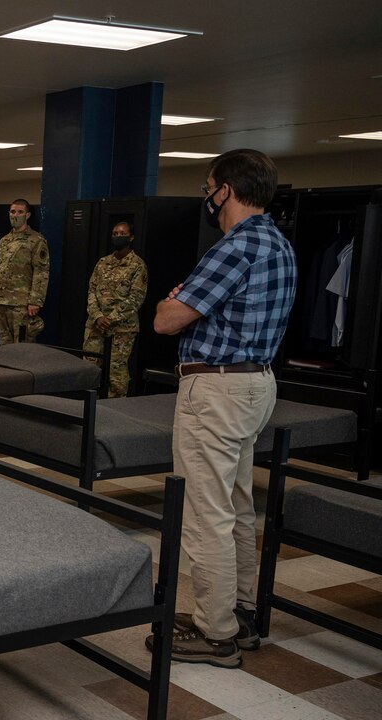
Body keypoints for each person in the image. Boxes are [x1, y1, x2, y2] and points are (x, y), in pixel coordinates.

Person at [150, 149, 297, 668]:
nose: (206, 197)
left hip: (215, 391)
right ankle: (238, 611)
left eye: (208, 186)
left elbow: (167, 321)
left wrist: (176, 302)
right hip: (256, 384)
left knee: (204, 511)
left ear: (226, 190)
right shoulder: (278, 243)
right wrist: (187, 302)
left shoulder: (233, 247)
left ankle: (215, 633)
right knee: (235, 505)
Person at [83, 222, 148, 397]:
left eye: (122, 233)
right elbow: (91, 291)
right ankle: (87, 409)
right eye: (115, 233)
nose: (118, 236)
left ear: (131, 237)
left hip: (122, 328)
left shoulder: (137, 265)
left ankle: (116, 412)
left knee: (116, 373)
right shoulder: (103, 263)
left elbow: (136, 299)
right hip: (96, 325)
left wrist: (110, 319)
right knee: (89, 368)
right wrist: (97, 316)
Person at [0, 199, 49, 344]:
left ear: (27, 215)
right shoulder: (4, 240)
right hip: (1, 301)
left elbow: (41, 272)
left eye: (20, 212)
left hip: (21, 303)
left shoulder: (36, 240)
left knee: (22, 345)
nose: (15, 215)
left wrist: (35, 301)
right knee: (4, 345)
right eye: (13, 211)